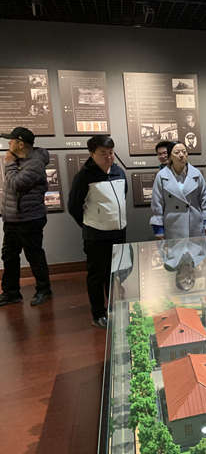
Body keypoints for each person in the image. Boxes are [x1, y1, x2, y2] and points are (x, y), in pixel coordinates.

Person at [68, 135, 127, 328]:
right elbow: (74, 206)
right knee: (97, 275)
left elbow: (122, 196)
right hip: (96, 235)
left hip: (119, 232)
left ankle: (114, 307)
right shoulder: (84, 176)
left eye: (111, 152)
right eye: (103, 153)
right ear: (92, 153)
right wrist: (90, 224)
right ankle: (98, 313)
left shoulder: (118, 172)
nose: (109, 157)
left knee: (115, 272)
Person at [0, 127, 52, 306]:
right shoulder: (19, 160)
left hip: (30, 219)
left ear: (20, 144)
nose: (9, 143)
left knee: (34, 256)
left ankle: (44, 290)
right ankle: (11, 292)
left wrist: (9, 164)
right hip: (12, 220)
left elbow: (16, 184)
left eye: (11, 140)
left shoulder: (35, 164)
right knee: (9, 256)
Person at [150, 141, 206, 240]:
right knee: (175, 249)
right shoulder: (161, 176)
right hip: (172, 227)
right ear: (170, 156)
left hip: (195, 225)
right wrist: (158, 229)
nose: (181, 155)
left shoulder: (196, 174)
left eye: (184, 152)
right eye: (177, 152)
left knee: (196, 249)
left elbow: (205, 199)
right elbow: (157, 203)